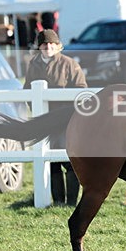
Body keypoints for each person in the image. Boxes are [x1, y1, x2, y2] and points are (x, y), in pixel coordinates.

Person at [24, 29, 88, 205]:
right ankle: (58, 201)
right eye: (44, 44)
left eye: (52, 44)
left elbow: (81, 89)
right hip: (45, 122)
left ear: (58, 45)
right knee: (50, 163)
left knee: (69, 161)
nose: (48, 47)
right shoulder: (33, 65)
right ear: (39, 47)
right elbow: (27, 90)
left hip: (66, 121)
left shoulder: (69, 64)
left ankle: (72, 202)